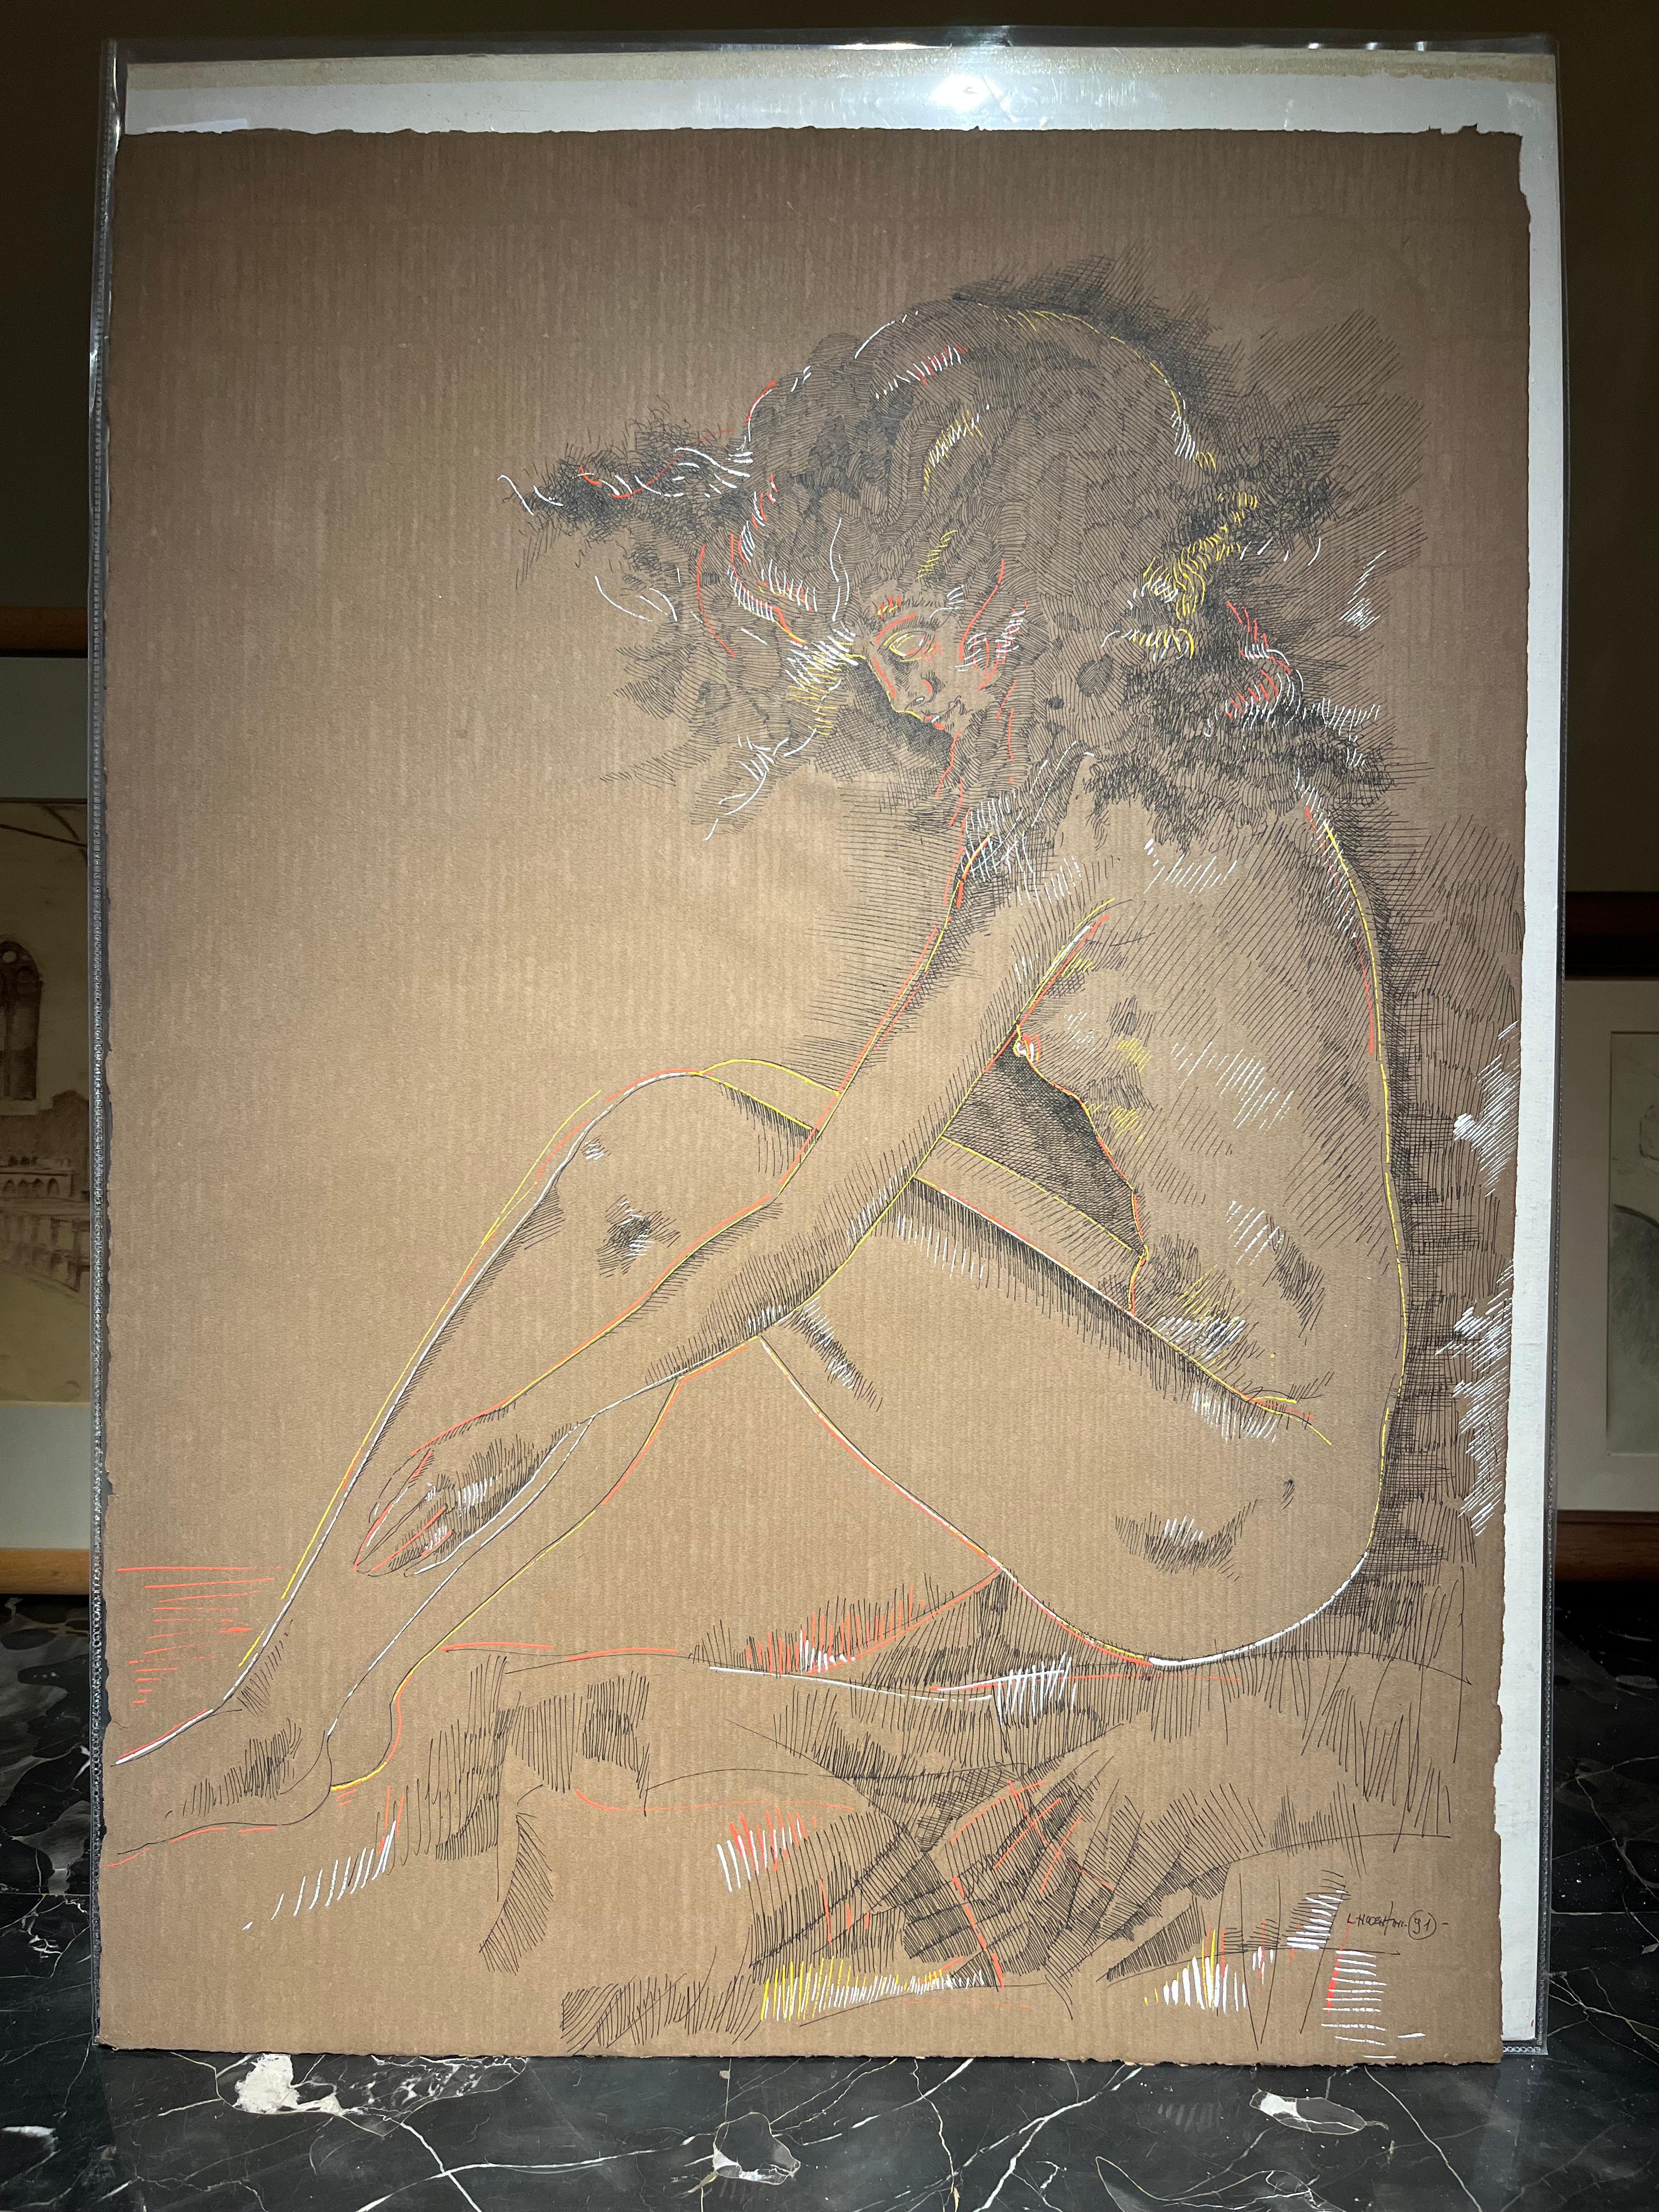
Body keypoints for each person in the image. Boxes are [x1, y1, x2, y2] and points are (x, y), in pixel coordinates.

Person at [108, 285, 1407, 1859]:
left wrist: (528, 1418)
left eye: (911, 630)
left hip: (1222, 1515)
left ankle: (295, 1713)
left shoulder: (1088, 822)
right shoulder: (1208, 782)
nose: (892, 681)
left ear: (1028, 593)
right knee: (710, 1147)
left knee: (677, 1161)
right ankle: (319, 1699)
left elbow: (807, 1233)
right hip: (1250, 1463)